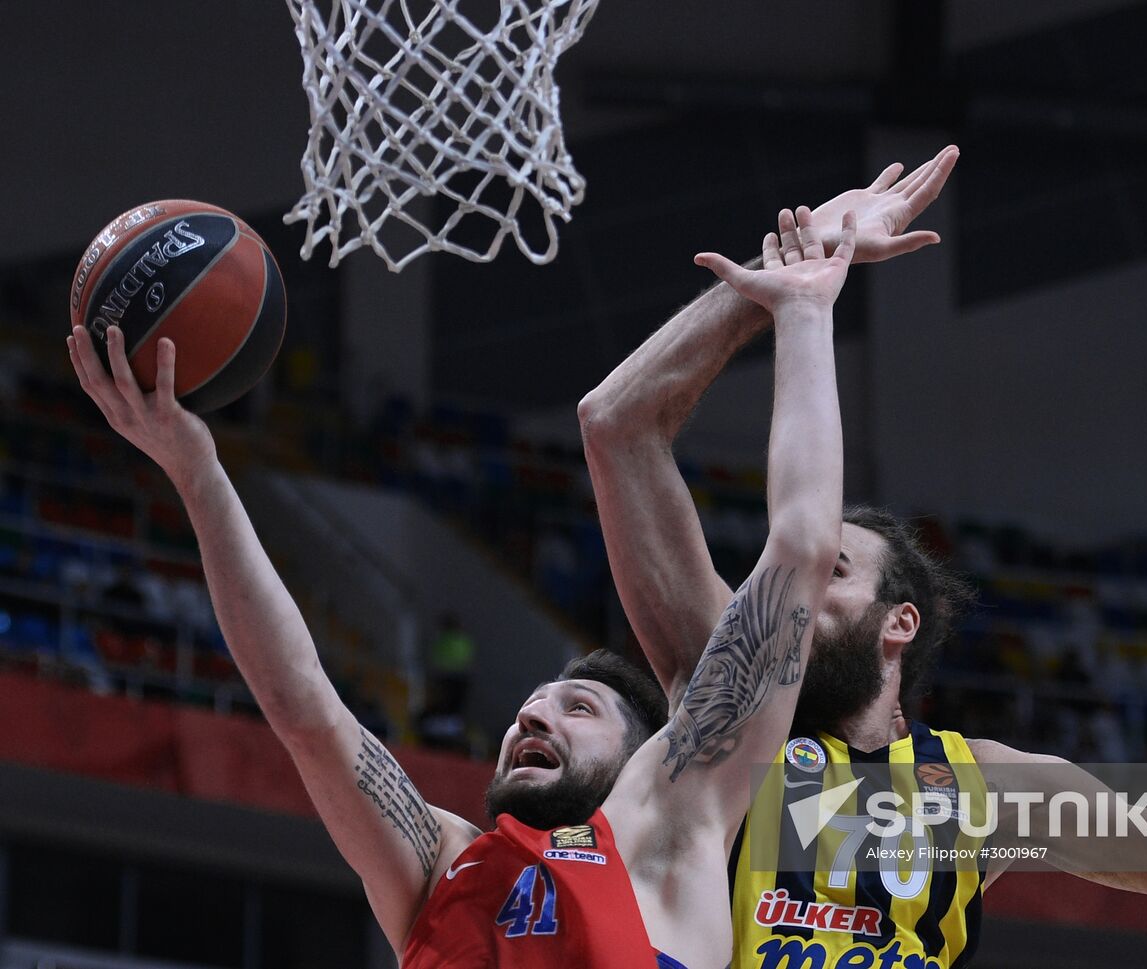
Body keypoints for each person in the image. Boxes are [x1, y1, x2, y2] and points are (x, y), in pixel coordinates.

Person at [577, 148, 1147, 968]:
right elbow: (618, 426)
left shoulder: (992, 791)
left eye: (829, 572)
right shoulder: (728, 699)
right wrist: (791, 269)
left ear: (898, 621)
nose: (793, 588)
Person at [66, 205, 860, 969]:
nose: (532, 713)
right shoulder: (441, 862)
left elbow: (799, 546)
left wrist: (804, 313)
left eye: (578, 708)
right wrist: (196, 470)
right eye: (536, 705)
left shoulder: (672, 825)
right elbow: (303, 706)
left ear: (642, 757)